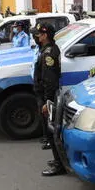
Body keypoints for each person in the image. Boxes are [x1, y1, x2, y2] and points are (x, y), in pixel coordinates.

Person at [32, 23, 63, 176]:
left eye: (38, 34)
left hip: (47, 97)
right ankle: (59, 160)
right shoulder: (46, 50)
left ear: (45, 35)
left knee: (52, 132)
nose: (36, 37)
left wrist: (47, 102)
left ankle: (59, 164)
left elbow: (50, 81)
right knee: (50, 131)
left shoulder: (48, 53)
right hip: (44, 96)